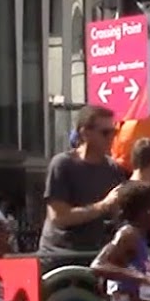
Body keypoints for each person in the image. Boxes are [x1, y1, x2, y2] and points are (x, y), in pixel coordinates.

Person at [40, 105, 128, 260]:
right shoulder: (63, 164)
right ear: (85, 133)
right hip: (60, 255)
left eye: (114, 132)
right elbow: (59, 218)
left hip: (96, 255)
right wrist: (104, 205)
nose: (111, 138)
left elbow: (117, 216)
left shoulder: (113, 169)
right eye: (105, 133)